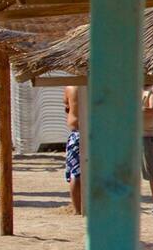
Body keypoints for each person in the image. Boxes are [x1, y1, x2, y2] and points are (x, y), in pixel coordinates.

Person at [64, 85, 83, 215]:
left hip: (78, 132)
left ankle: (77, 209)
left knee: (75, 173)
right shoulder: (100, 83)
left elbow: (66, 106)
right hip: (97, 130)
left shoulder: (71, 87)